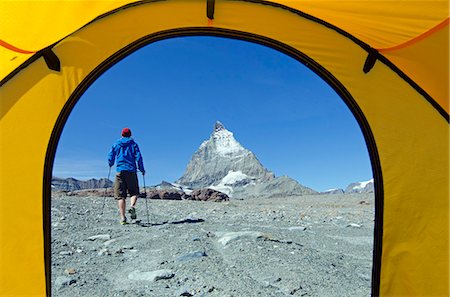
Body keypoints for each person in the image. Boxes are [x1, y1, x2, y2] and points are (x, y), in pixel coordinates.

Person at [108, 127, 145, 225]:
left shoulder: (116, 144)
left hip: (120, 171)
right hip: (131, 171)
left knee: (121, 196)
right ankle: (132, 207)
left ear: (122, 135)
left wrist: (110, 163)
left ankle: (123, 218)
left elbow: (111, 155)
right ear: (130, 134)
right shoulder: (133, 144)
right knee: (134, 192)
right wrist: (141, 169)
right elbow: (139, 157)